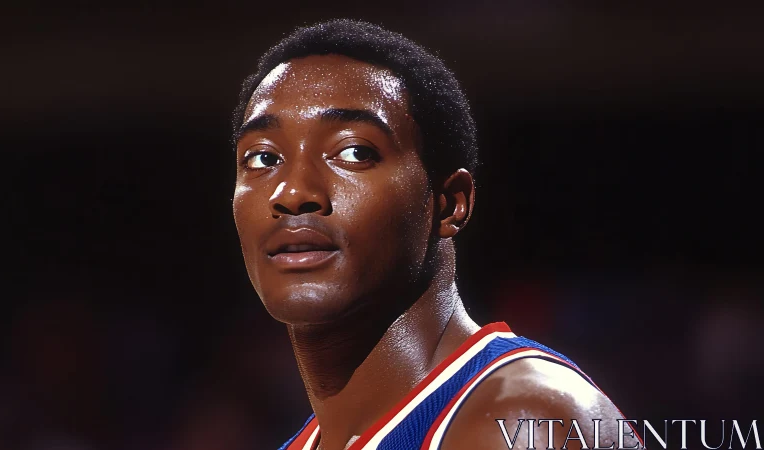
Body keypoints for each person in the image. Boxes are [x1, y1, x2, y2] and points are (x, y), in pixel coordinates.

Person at [231, 19, 641, 450]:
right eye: (262, 158)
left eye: (354, 152)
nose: (293, 193)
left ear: (449, 203)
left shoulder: (525, 420)